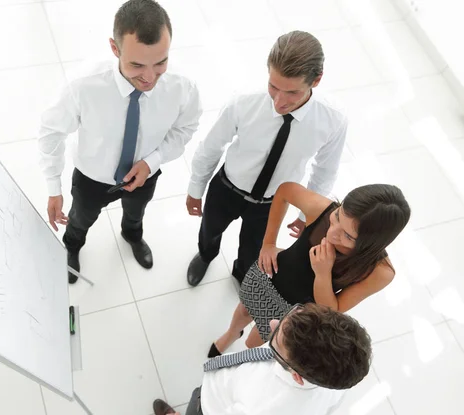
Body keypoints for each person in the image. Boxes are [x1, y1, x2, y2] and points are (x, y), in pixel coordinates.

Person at [38, 0, 202, 283]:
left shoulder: (182, 86)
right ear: (115, 49)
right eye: (137, 65)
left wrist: (151, 163)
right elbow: (51, 132)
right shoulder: (83, 85)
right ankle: (73, 246)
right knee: (80, 219)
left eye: (160, 62)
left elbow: (186, 128)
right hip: (93, 177)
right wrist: (54, 187)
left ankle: (132, 235)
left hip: (145, 173)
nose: (150, 78)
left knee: (137, 212)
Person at [186, 30, 348, 287]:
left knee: (253, 251)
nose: (279, 102)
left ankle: (241, 275)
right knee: (209, 230)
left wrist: (308, 214)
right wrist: (196, 188)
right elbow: (211, 147)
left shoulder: (332, 121)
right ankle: (206, 255)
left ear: (316, 80)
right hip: (227, 188)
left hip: (272, 205)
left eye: (292, 93)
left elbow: (325, 170)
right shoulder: (244, 101)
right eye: (273, 87)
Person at [209, 182, 411, 357]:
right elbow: (285, 191)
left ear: (370, 244)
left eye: (348, 236)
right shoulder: (321, 209)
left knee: (254, 343)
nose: (332, 234)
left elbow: (332, 310)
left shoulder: (379, 271)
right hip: (274, 273)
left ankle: (240, 361)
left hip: (296, 309)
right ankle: (231, 334)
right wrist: (269, 243)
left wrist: (323, 273)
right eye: (338, 216)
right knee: (244, 309)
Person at [153, 303, 372, 415]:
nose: (273, 323)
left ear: (296, 376)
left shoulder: (261, 407)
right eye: (292, 313)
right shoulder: (339, 374)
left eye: (276, 341)